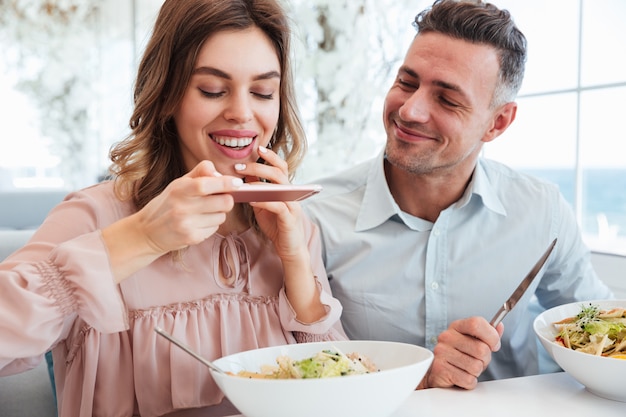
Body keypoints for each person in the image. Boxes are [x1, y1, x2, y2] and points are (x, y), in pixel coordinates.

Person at [0, 0, 346, 416]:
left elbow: (342, 392)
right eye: (212, 90)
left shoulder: (289, 225)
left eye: (262, 92)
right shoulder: (95, 215)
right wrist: (142, 237)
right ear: (166, 95)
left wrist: (294, 263)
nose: (242, 113)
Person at [302, 0, 613, 391]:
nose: (410, 110)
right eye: (406, 82)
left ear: (498, 123)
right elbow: (299, 369)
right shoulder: (316, 217)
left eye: (447, 99)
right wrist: (419, 378)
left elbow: (600, 327)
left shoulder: (541, 212)